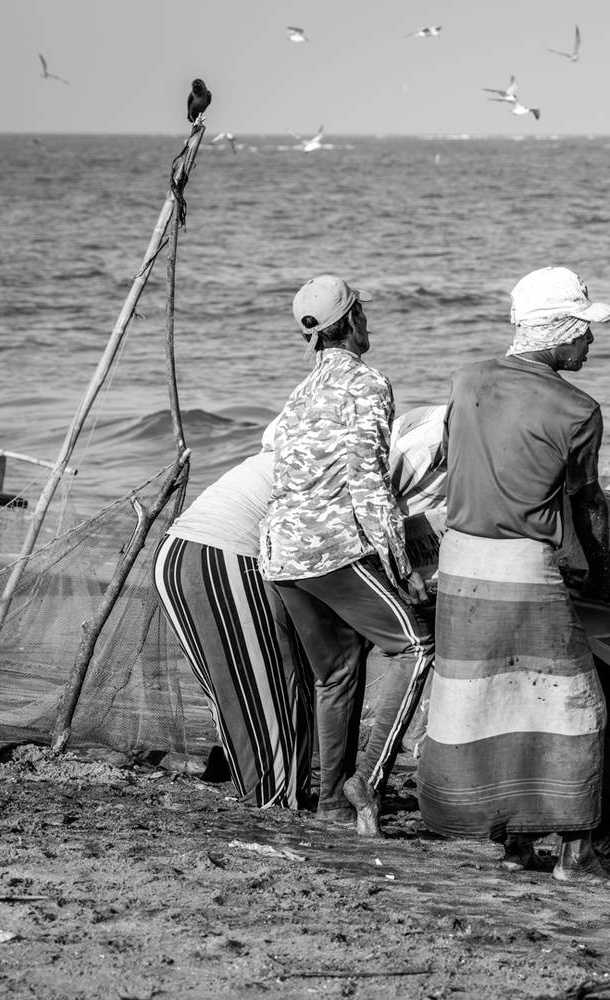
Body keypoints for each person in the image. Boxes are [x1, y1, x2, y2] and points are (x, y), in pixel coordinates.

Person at [415, 265, 610, 885]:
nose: (590, 340)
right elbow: (587, 502)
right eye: (582, 329)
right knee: (575, 705)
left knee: (491, 700)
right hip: (522, 568)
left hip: (460, 565)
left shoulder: (466, 379)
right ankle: (576, 854)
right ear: (556, 330)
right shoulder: (578, 409)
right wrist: (603, 573)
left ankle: (513, 842)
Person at [260, 274, 435, 838]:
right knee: (416, 645)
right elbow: (368, 479)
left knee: (334, 675)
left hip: (281, 551)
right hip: (331, 548)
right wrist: (401, 566)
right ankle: (367, 780)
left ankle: (333, 805)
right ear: (352, 320)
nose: (367, 320)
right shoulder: (367, 382)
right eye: (362, 311)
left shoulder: (300, 393)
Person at [153, 418, 312, 809]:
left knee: (253, 697)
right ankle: (273, 803)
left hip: (182, 558)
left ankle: (275, 793)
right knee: (267, 704)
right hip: (218, 562)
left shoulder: (282, 458)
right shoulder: (358, 459)